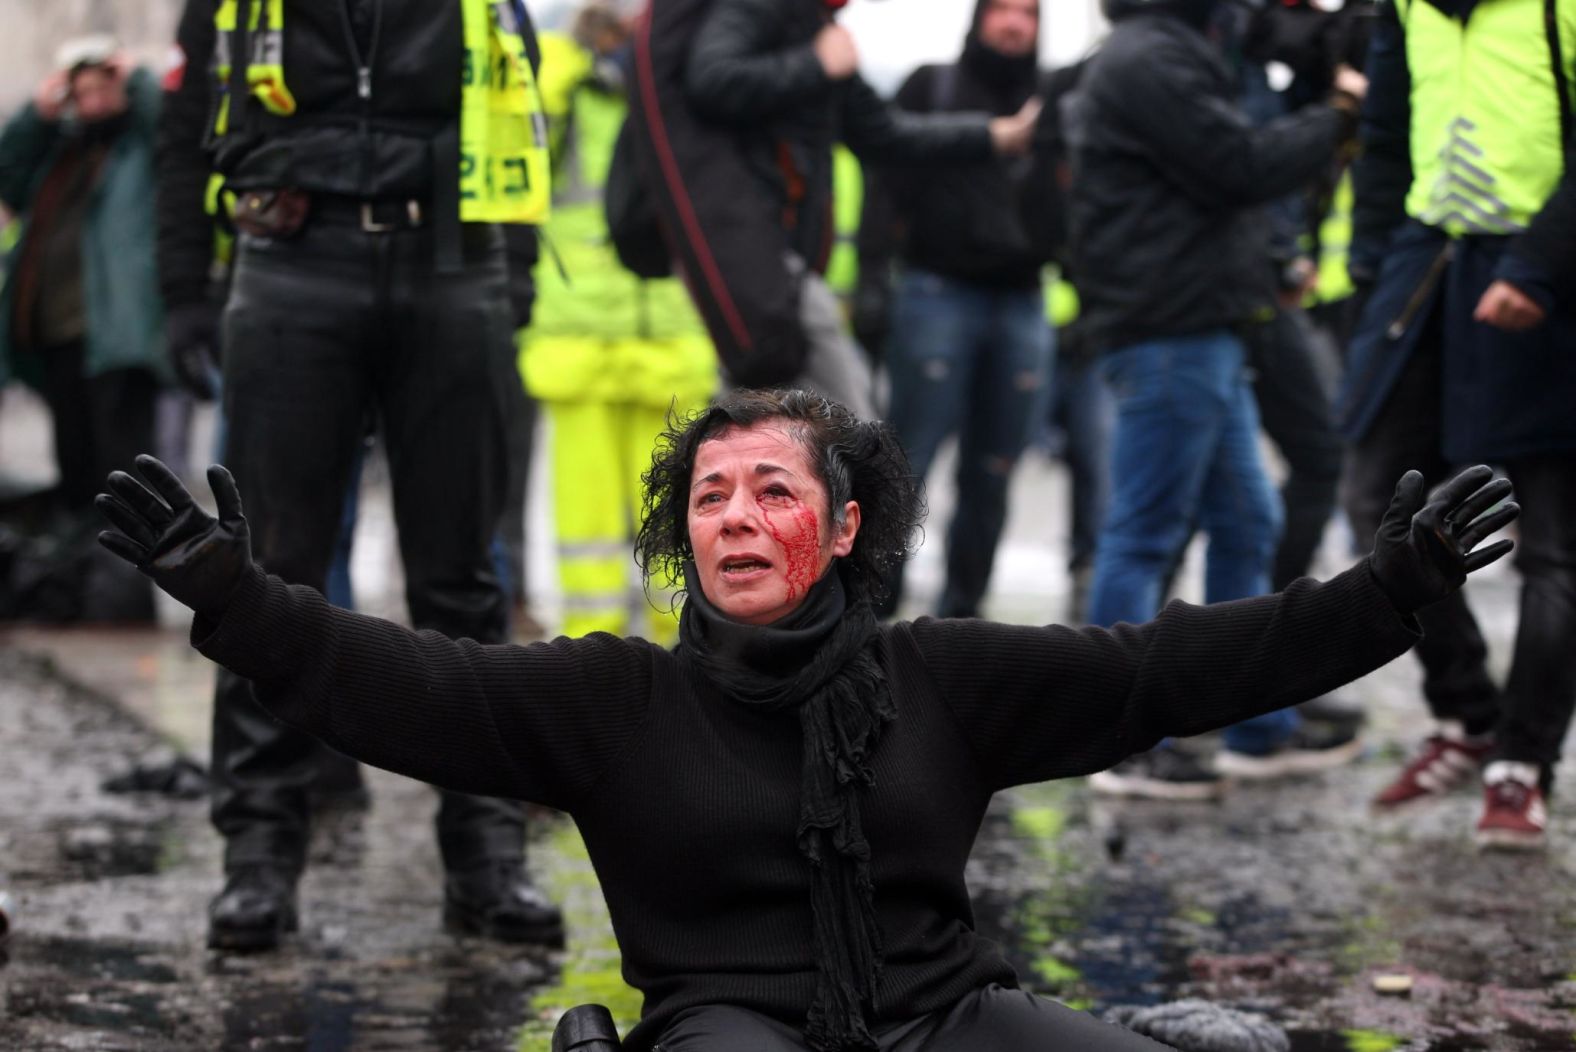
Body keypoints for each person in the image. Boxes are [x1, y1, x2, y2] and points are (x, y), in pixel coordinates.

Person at [95, 387, 1515, 1051]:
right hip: (733, 1030)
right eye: (710, 498)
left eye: (771, 491)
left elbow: (1177, 669)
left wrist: (1394, 589)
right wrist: (237, 596)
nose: (736, 517)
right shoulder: (611, 698)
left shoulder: (941, 678)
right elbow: (405, 684)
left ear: (839, 529)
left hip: (944, 1017)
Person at [154, 0, 562, 949]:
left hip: (454, 264)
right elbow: (184, 136)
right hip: (292, 263)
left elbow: (521, 109)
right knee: (264, 578)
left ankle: (486, 852)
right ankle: (257, 857)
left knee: (464, 577)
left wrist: (516, 273)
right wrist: (183, 289)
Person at [1067, 0, 1369, 798]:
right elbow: (1237, 164)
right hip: (1169, 329)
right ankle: (1118, 742)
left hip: (1207, 324)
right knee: (1144, 534)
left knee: (1247, 521)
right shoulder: (1146, 57)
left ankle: (1254, 725)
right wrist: (1338, 111)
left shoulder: (1174, 47)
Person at [1338, 0, 1576, 849]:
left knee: (1552, 541)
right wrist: (1371, 259)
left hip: (1546, 266)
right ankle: (1470, 714)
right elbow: (1385, 135)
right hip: (1426, 262)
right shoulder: (1404, 6)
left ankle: (1523, 760)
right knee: (1377, 495)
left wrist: (1540, 265)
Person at [627, 0, 1042, 419]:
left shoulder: (812, 24)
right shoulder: (771, 12)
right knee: (849, 427)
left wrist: (993, 135)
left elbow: (883, 133)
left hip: (779, 265)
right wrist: (815, 62)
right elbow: (713, 77)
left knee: (764, 417)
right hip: (762, 259)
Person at [520, 1, 716, 643]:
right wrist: (580, 51)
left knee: (679, 521)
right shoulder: (559, 72)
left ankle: (684, 660)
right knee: (586, 529)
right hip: (579, 336)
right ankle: (594, 660)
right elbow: (523, 122)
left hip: (670, 336)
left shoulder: (682, 78)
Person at [857, 0, 1058, 620]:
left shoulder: (1053, 96)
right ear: (978, 16)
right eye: (1002, 9)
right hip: (934, 295)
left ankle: (962, 622)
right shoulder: (932, 85)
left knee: (994, 473)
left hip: (1024, 301)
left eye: (1028, 12)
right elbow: (883, 182)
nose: (1014, 23)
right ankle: (875, 618)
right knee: (905, 466)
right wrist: (870, 279)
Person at [0, 37, 167, 622]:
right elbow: (7, 170)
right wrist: (39, 114)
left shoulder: (138, 150)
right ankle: (81, 591)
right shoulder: (62, 152)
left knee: (128, 478)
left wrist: (136, 79)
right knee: (78, 479)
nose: (93, 100)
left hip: (118, 340)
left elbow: (172, 126)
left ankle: (126, 601)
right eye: (83, 89)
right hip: (58, 340)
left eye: (104, 87)